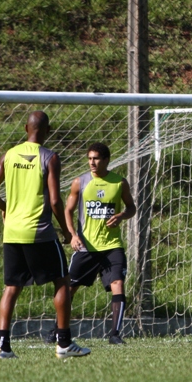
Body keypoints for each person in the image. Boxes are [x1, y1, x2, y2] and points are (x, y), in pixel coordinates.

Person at [0, 110, 90, 359]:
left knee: (12, 287)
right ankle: (64, 343)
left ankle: (3, 347)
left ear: (25, 128)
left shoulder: (9, 155)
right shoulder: (49, 157)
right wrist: (66, 231)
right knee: (62, 280)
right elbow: (55, 201)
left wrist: (7, 209)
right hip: (39, 232)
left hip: (12, 233)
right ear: (48, 131)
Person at [63, 142, 136, 345]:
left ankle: (115, 334)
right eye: (89, 158)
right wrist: (72, 235)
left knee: (118, 284)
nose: (92, 162)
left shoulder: (119, 183)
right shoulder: (80, 182)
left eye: (96, 158)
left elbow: (132, 208)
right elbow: (67, 211)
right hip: (86, 246)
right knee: (69, 288)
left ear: (106, 160)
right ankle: (59, 330)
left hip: (112, 246)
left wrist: (121, 216)